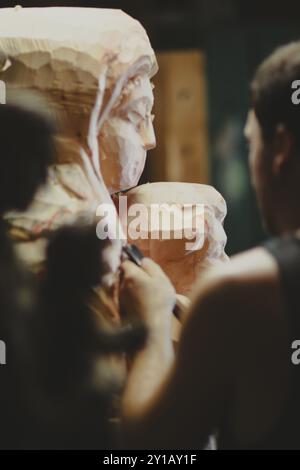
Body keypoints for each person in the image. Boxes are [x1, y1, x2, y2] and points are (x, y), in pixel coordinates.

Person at [119, 41, 300, 450]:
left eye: (251, 144)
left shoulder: (243, 290)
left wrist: (150, 324)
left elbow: (154, 448)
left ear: (282, 148)